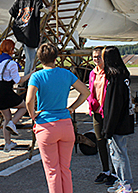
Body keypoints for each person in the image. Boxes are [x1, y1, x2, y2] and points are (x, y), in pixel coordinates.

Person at [26, 43, 90, 193]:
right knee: (65, 169)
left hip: (46, 125)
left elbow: (29, 100)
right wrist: (72, 108)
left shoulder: (37, 76)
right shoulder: (66, 73)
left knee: (52, 171)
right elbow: (85, 92)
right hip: (66, 124)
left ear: (39, 59)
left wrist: (33, 114)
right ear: (56, 57)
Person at [102, 46, 135, 193]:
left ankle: (126, 184)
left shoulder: (115, 80)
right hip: (123, 120)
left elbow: (114, 106)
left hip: (117, 124)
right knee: (118, 153)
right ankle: (122, 181)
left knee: (118, 154)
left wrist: (108, 128)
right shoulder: (123, 75)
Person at [0, 39, 33, 152]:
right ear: (11, 49)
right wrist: (30, 74)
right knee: (24, 106)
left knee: (7, 117)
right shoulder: (11, 63)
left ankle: (8, 143)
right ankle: (12, 124)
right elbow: (18, 80)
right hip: (6, 92)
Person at [87, 46, 117, 186]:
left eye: (99, 57)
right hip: (97, 112)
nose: (96, 59)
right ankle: (106, 170)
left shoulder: (110, 73)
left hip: (109, 112)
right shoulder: (92, 73)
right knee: (100, 142)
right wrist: (91, 101)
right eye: (94, 57)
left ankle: (116, 172)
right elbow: (90, 90)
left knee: (112, 142)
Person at [9, 0, 44, 76]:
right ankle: (28, 78)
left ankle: (27, 76)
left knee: (28, 55)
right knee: (31, 58)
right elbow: (39, 9)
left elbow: (12, 11)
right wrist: (49, 9)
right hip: (30, 32)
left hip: (19, 29)